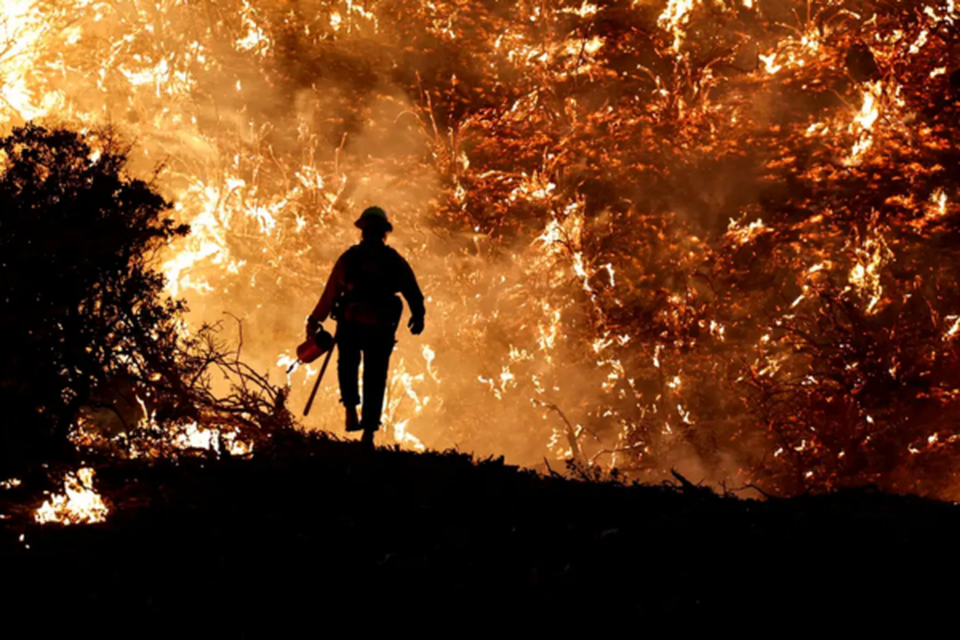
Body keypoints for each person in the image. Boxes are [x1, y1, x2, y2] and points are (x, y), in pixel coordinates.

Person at [306, 206, 425, 447]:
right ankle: (368, 432)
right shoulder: (393, 261)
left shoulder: (349, 259)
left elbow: (330, 294)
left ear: (364, 231)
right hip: (380, 327)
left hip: (351, 324)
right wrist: (418, 315)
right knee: (375, 375)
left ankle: (351, 410)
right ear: (384, 233)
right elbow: (412, 291)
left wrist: (315, 319)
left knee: (348, 366)